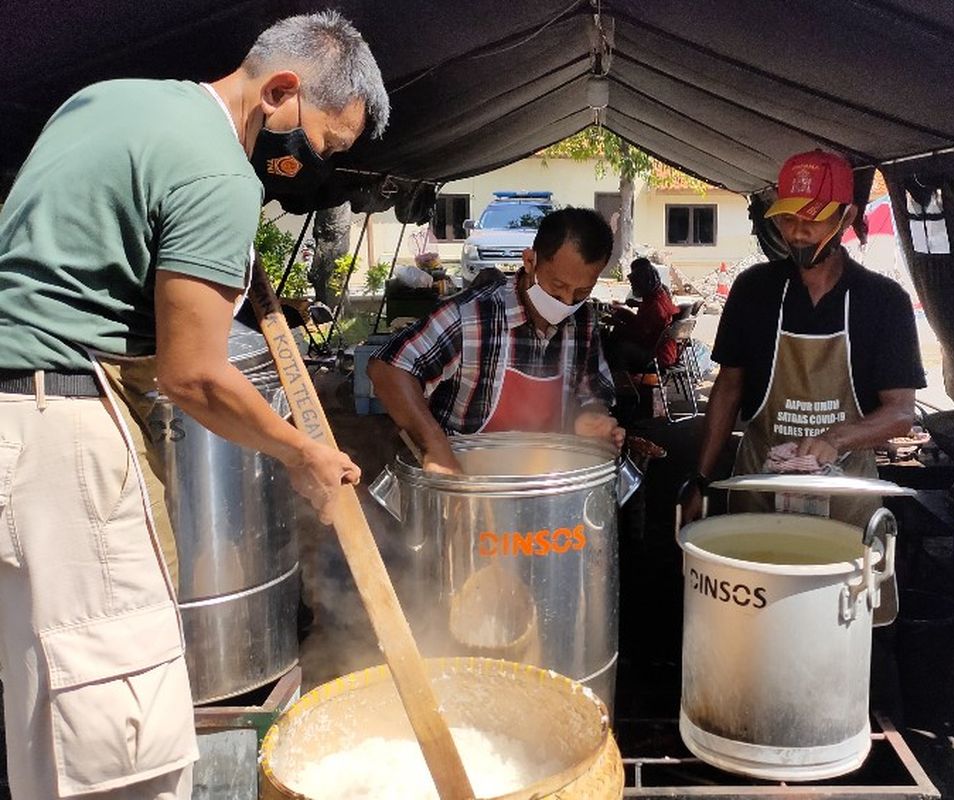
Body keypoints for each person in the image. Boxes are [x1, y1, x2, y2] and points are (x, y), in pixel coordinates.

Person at [0, 11, 388, 799]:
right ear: (281, 90)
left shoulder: (108, 100)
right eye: (323, 146)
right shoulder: (218, 172)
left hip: (18, 427)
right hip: (64, 431)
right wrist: (302, 451)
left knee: (53, 710)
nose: (314, 168)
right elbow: (196, 375)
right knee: (124, 749)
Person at [681, 150, 925, 528]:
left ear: (847, 217)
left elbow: (901, 413)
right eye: (788, 219)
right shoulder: (753, 290)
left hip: (846, 501)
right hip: (759, 489)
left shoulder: (883, 300)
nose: (797, 232)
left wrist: (836, 439)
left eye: (812, 220)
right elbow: (728, 388)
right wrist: (701, 478)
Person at [368, 208, 624, 474]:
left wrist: (589, 418)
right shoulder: (471, 315)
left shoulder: (582, 321)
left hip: (542, 484)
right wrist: (435, 447)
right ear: (530, 261)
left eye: (582, 292)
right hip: (463, 484)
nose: (567, 302)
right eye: (558, 286)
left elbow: (592, 392)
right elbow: (388, 369)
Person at [605, 257, 680, 372]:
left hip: (656, 355)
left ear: (644, 283)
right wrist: (623, 312)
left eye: (635, 284)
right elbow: (641, 324)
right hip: (666, 352)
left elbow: (640, 337)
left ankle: (619, 378)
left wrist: (617, 324)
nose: (632, 287)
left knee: (616, 345)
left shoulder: (655, 306)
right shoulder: (659, 296)